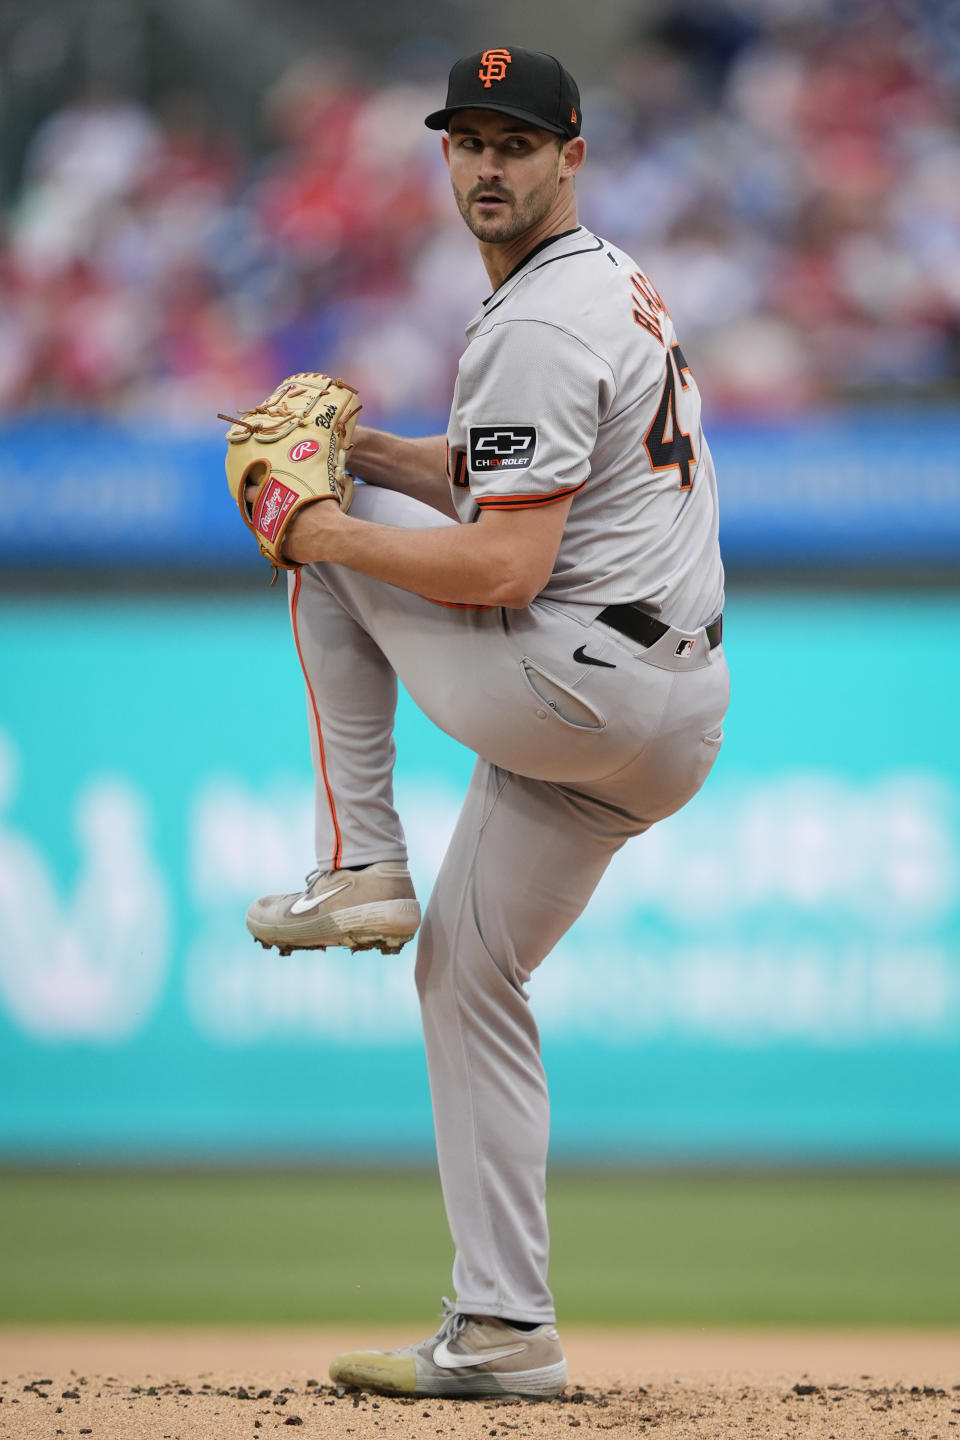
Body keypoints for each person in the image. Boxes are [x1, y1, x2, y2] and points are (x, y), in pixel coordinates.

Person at [246, 47, 729, 1399]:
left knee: (320, 555)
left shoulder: (530, 322)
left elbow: (506, 569)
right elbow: (520, 480)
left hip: (579, 682)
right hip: (667, 715)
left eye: (517, 144)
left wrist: (325, 516)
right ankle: (506, 1330)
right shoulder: (607, 284)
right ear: (445, 156)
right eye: (467, 142)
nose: (488, 167)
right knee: (468, 974)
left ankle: (362, 864)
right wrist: (377, 458)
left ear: (572, 157)